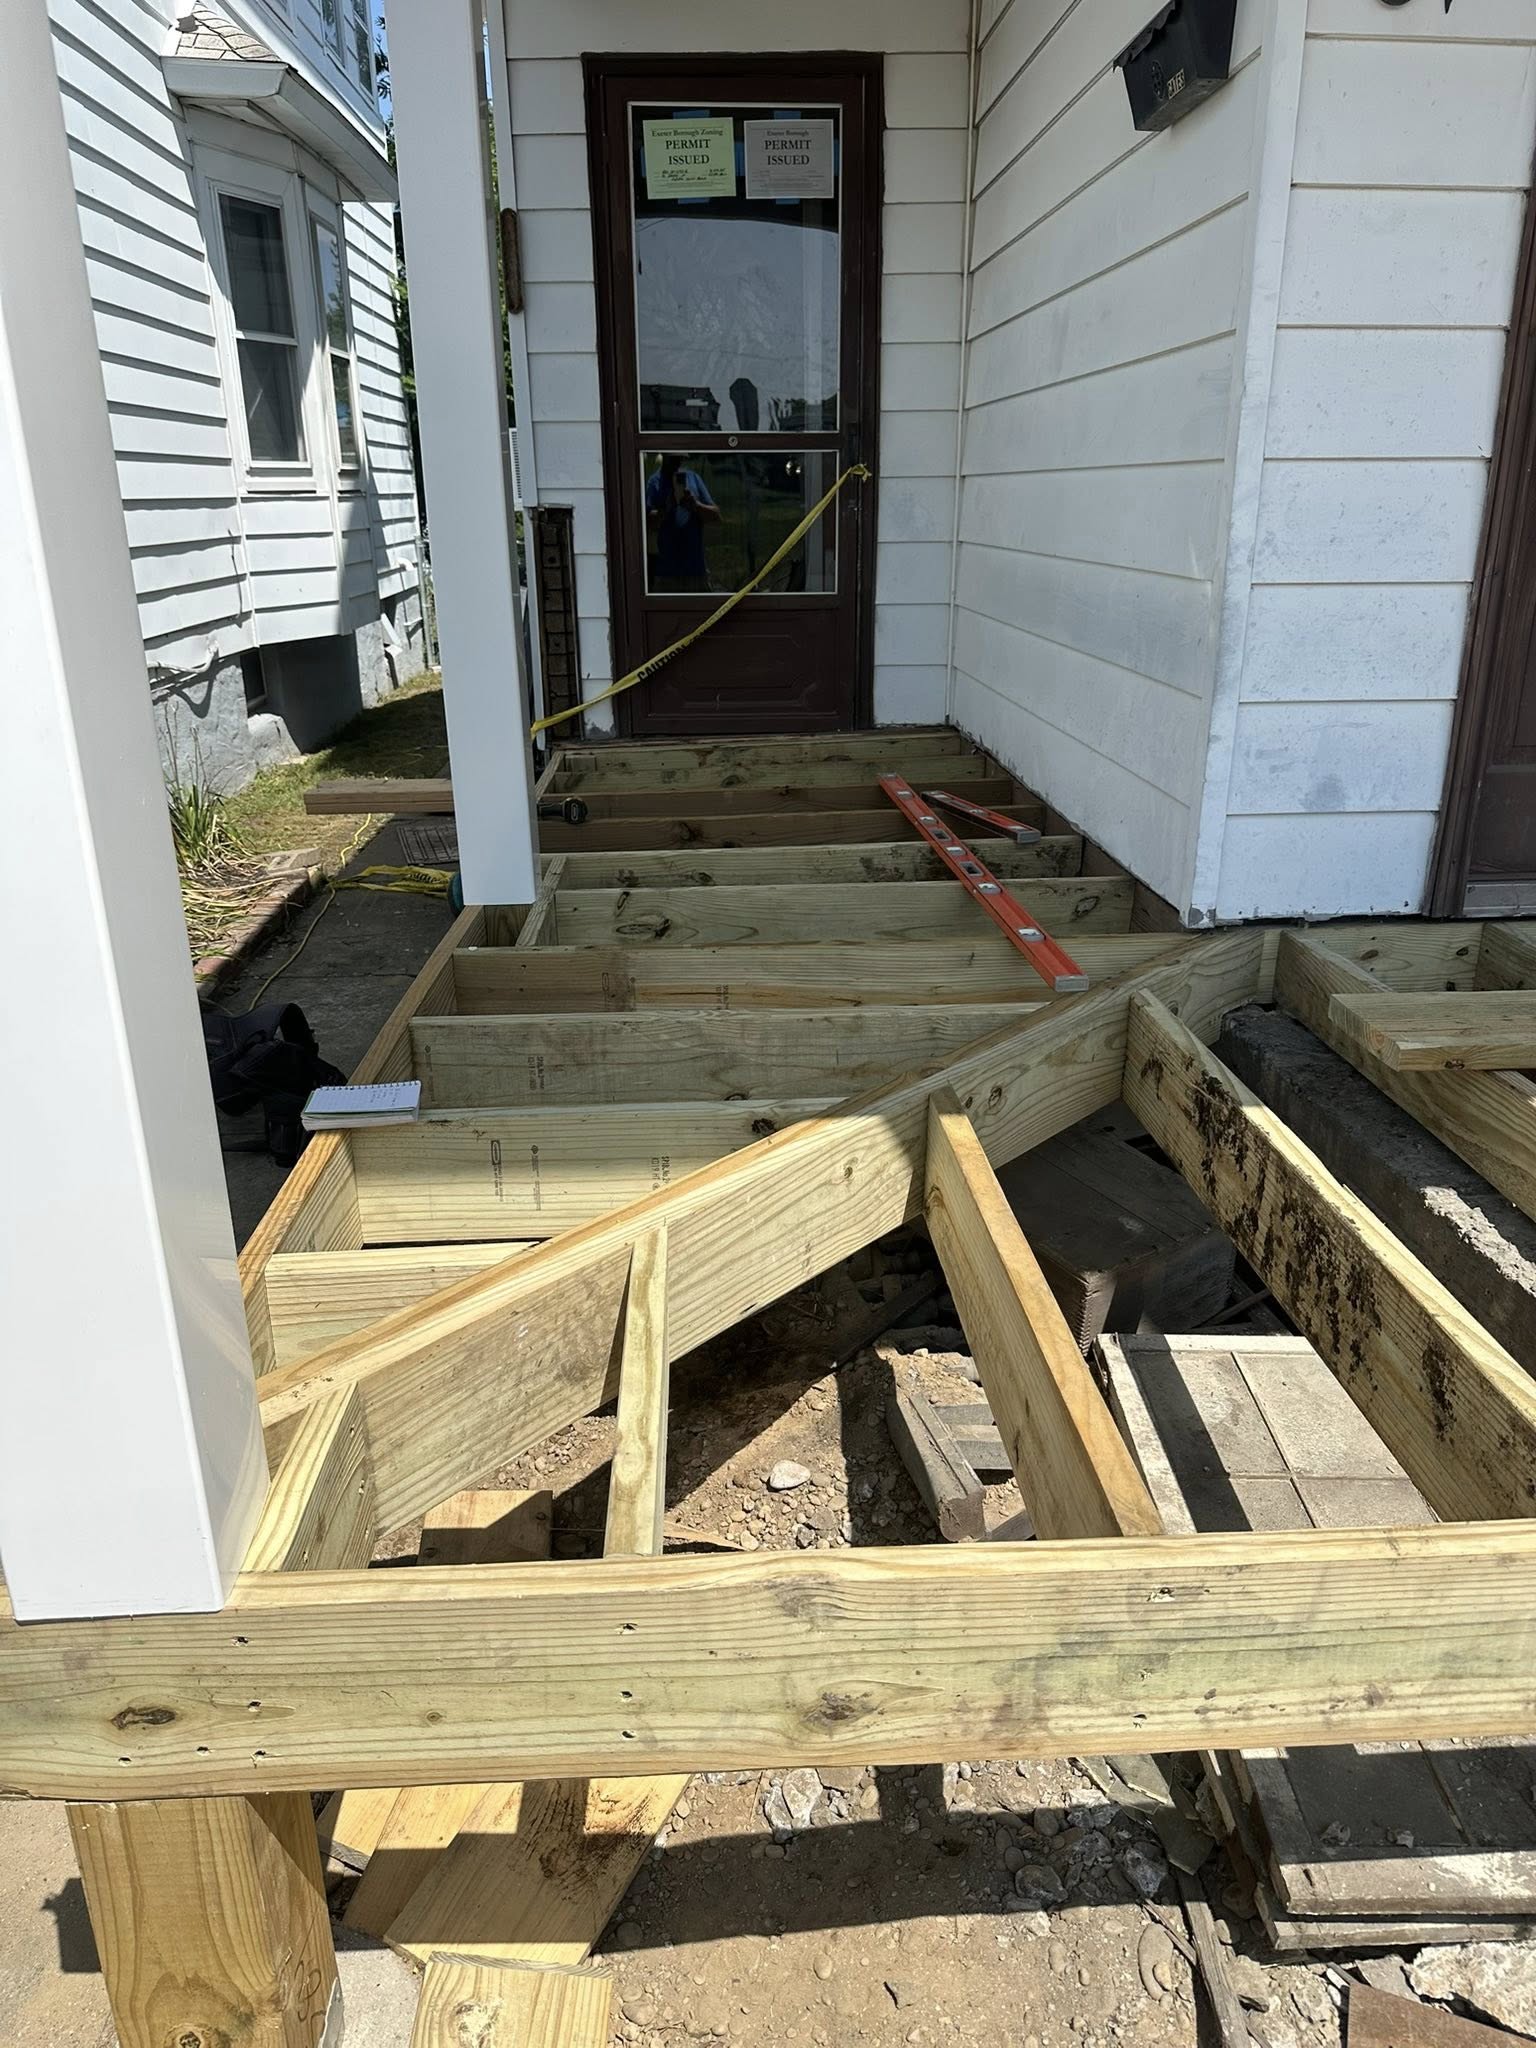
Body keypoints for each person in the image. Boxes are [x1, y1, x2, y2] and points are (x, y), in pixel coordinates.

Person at [646, 454, 721, 591]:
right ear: (664, 457)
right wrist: (666, 509)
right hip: (667, 569)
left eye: (680, 459)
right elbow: (646, 524)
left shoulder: (693, 478)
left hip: (695, 567)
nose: (677, 463)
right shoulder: (655, 482)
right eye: (673, 459)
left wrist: (696, 505)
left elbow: (715, 516)